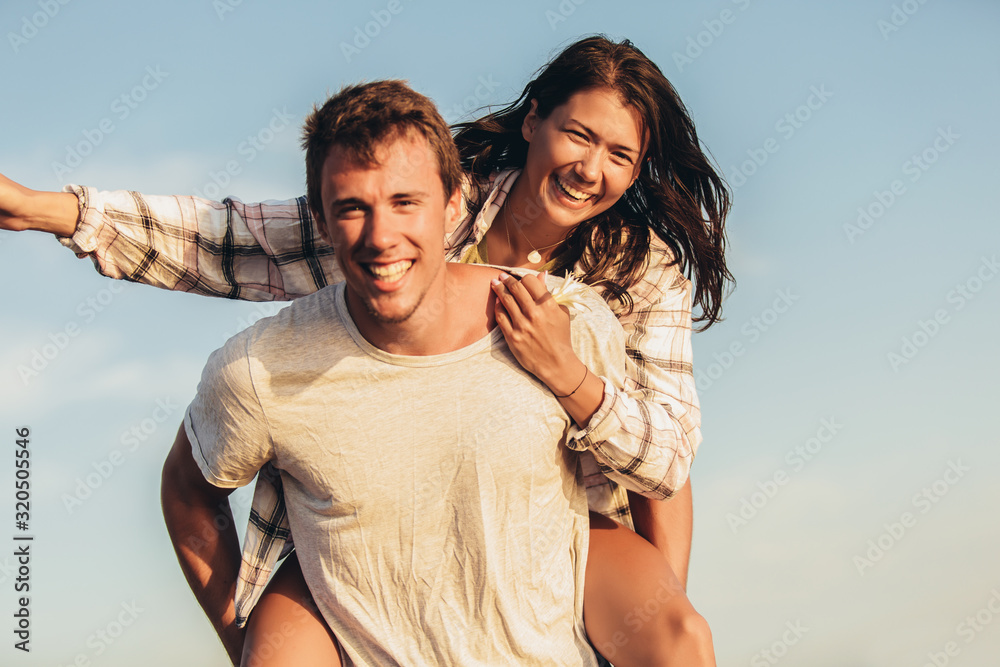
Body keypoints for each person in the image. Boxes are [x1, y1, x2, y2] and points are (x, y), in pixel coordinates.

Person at [0, 35, 728, 664]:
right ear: (534, 119)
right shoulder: (423, 205)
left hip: (547, 497)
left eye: (620, 154)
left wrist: (650, 614)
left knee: (669, 621)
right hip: (373, 495)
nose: (590, 168)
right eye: (579, 135)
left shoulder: (635, 272)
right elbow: (234, 240)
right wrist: (50, 210)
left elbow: (668, 459)